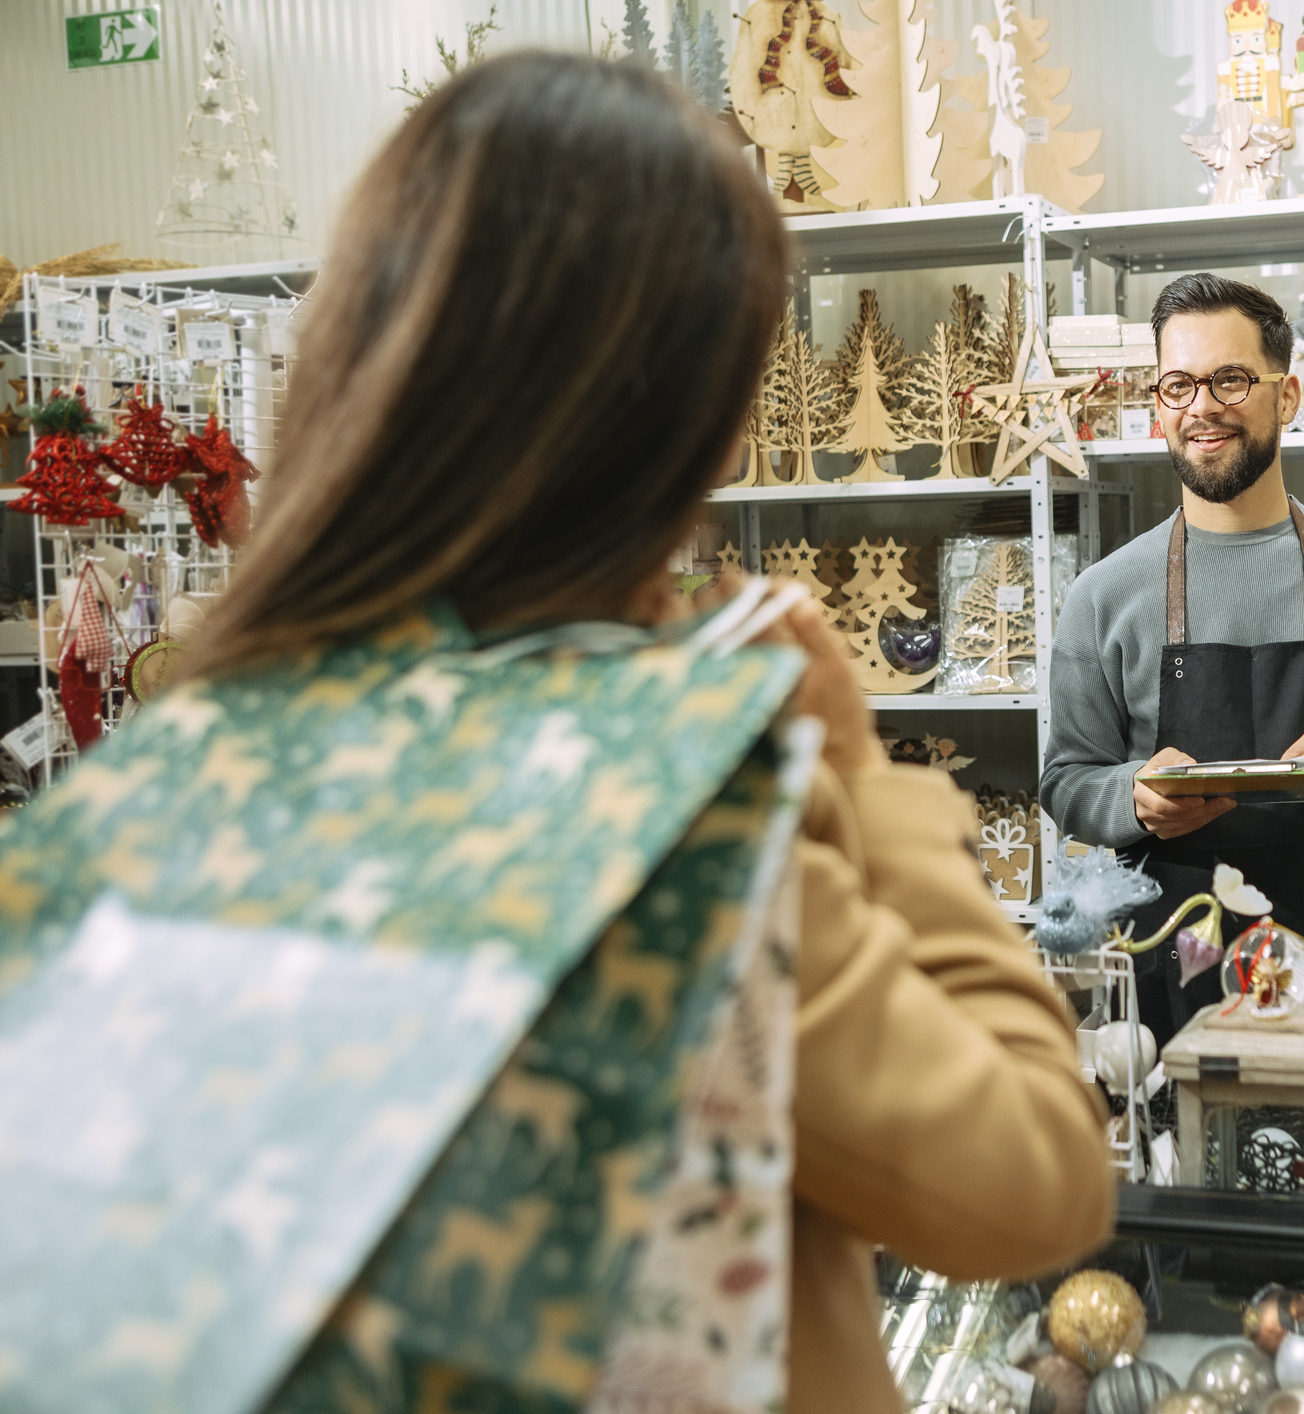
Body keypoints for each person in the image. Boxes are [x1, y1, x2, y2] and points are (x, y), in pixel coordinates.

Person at [0, 53, 1111, 1414]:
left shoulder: (191, 753)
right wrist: (864, 784)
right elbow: (1030, 1183)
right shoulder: (673, 786)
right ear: (680, 419)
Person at [1041, 273, 1304, 1041]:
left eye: (1230, 380)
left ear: (1289, 395)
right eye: (1177, 384)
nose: (1201, 407)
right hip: (1173, 967)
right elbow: (1067, 780)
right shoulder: (1103, 595)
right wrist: (1134, 799)